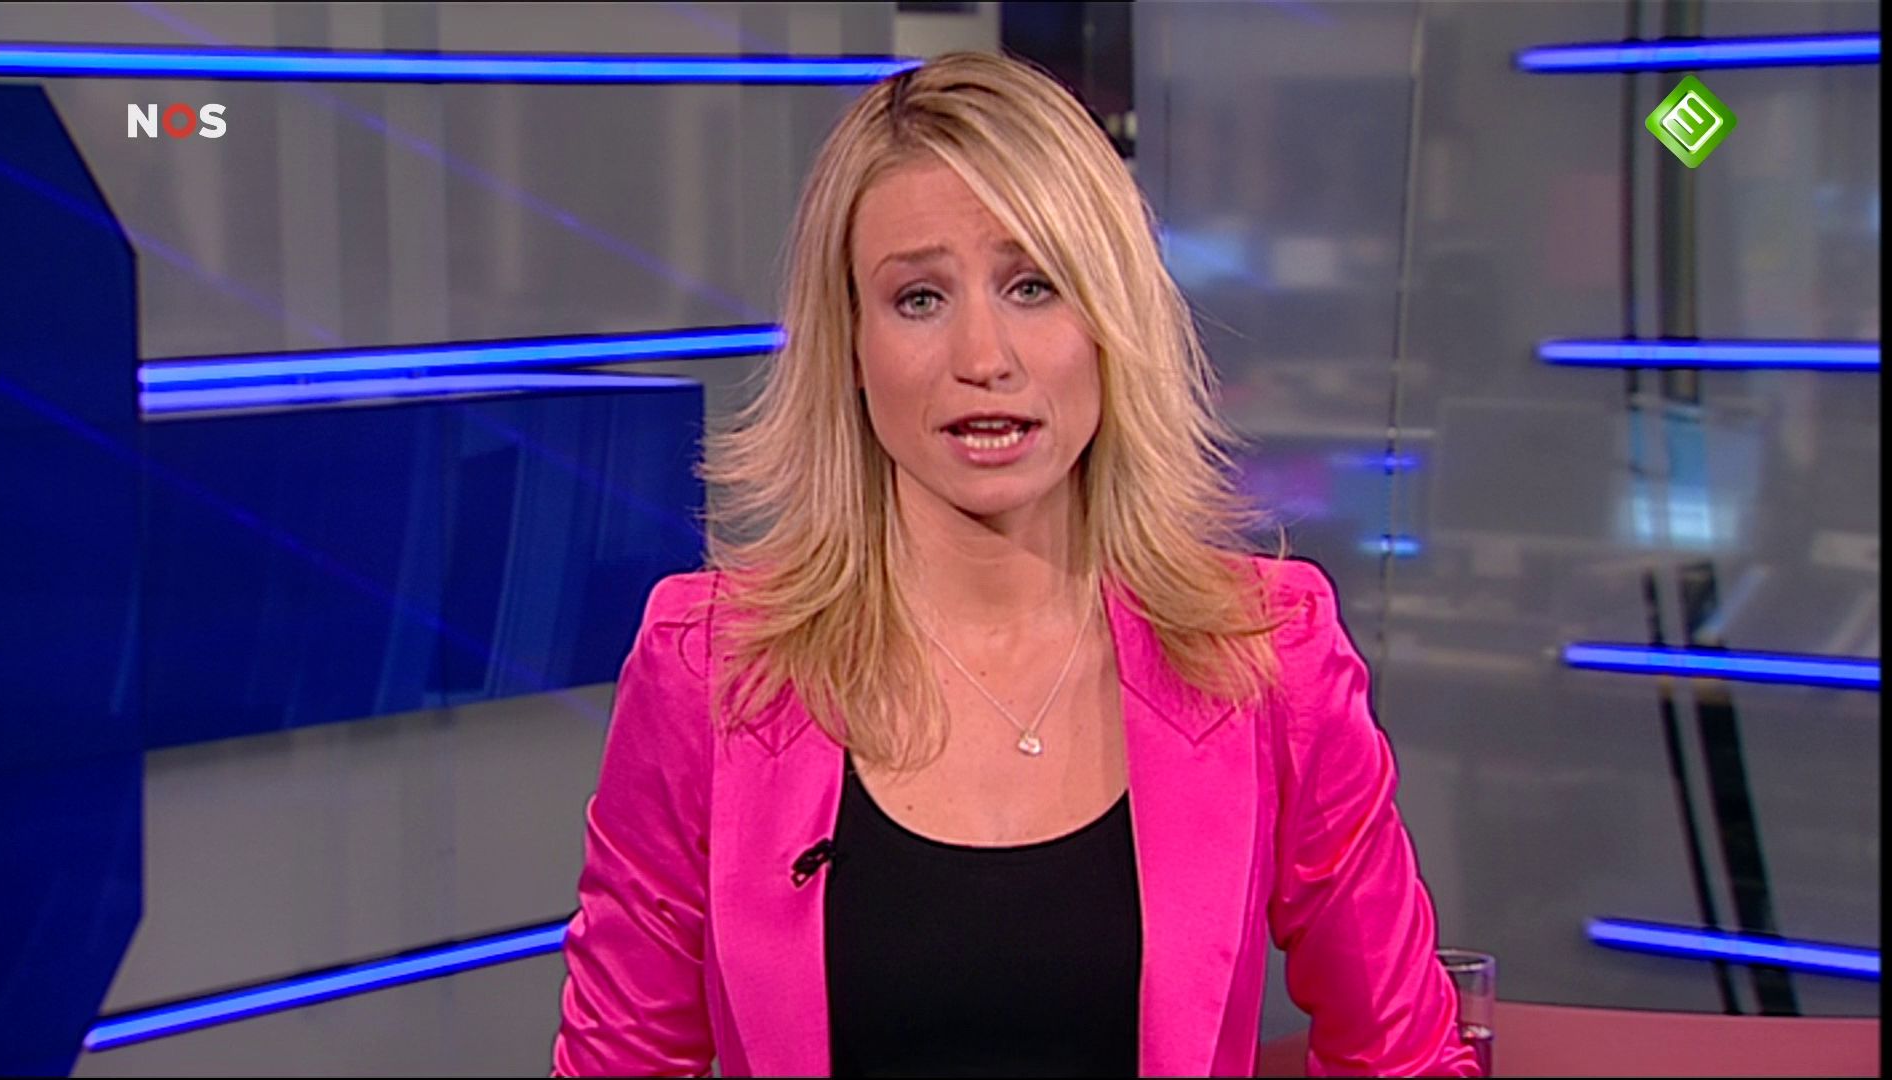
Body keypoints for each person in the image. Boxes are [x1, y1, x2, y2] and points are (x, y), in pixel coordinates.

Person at [552, 51, 1479, 1078]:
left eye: (1033, 286)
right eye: (919, 298)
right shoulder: (712, 669)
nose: (983, 357)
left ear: (1110, 321)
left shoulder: (1266, 655)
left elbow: (1405, 1055)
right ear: (850, 344)